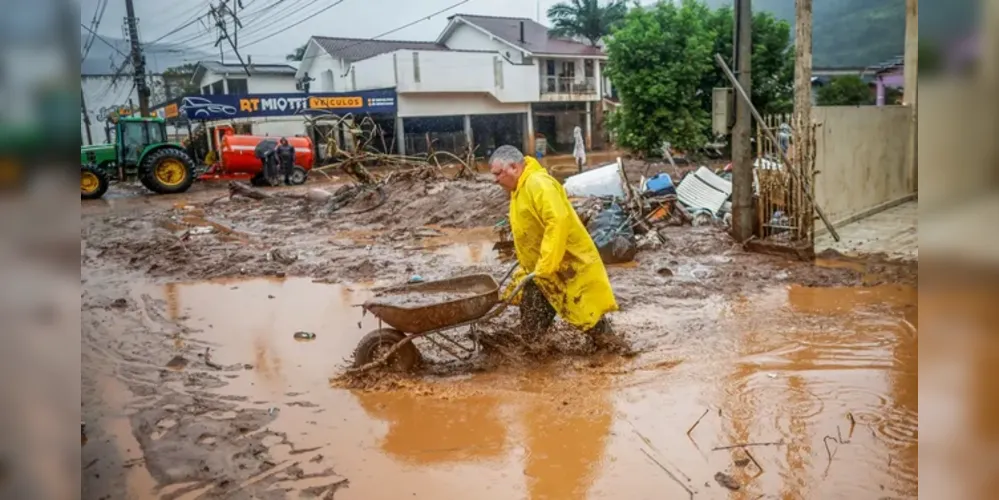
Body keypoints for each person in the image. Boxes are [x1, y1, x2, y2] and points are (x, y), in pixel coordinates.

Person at [488, 145, 623, 350]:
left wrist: (547, 263)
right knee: (531, 334)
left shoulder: (538, 184)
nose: (495, 180)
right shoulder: (519, 189)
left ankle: (618, 354)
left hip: (566, 266)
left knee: (588, 316)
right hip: (540, 272)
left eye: (498, 174)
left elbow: (557, 221)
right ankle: (538, 361)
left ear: (514, 167)